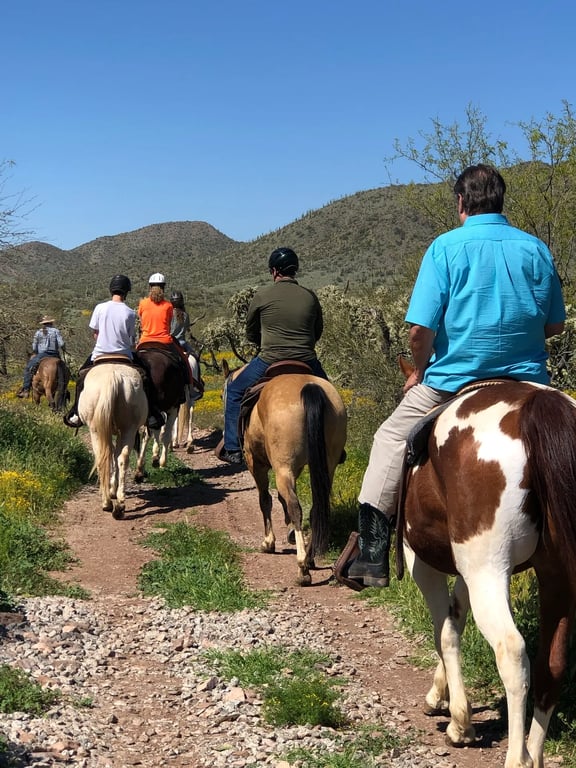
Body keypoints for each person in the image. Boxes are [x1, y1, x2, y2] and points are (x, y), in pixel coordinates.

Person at [337, 164, 566, 590]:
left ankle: (371, 554)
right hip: (531, 383)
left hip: (453, 381)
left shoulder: (445, 248)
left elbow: (419, 330)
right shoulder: (535, 249)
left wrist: (420, 369)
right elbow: (556, 326)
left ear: (461, 202)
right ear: (500, 201)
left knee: (388, 438)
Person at [221, 247, 327, 465]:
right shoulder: (310, 296)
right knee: (332, 397)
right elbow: (317, 331)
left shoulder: (262, 295)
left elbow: (251, 331)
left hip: (270, 358)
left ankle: (232, 447)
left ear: (275, 271)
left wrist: (265, 343)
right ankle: (334, 445)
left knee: (233, 390)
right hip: (307, 359)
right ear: (294, 269)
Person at [63, 275, 165, 430]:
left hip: (100, 354)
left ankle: (76, 412)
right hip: (124, 356)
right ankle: (151, 414)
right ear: (126, 292)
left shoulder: (100, 308)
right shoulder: (130, 312)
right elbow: (131, 340)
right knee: (147, 379)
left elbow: (96, 334)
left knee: (81, 376)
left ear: (111, 290)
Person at [137, 273, 193, 383]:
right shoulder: (168, 306)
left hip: (144, 341)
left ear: (150, 287)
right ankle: (189, 384)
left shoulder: (142, 304)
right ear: (163, 288)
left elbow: (140, 320)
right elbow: (168, 324)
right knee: (184, 361)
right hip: (164, 341)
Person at [17, 316, 66, 398]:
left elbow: (34, 347)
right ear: (51, 323)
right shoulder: (56, 331)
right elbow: (62, 344)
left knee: (28, 368)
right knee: (64, 369)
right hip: (55, 354)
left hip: (42, 354)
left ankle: (26, 390)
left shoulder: (38, 332)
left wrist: (36, 352)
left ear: (43, 324)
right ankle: (64, 388)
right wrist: (64, 349)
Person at [170, 290, 204, 400]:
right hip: (182, 343)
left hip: (171, 342)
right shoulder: (185, 315)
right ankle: (197, 382)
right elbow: (186, 329)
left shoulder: (169, 314)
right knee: (196, 358)